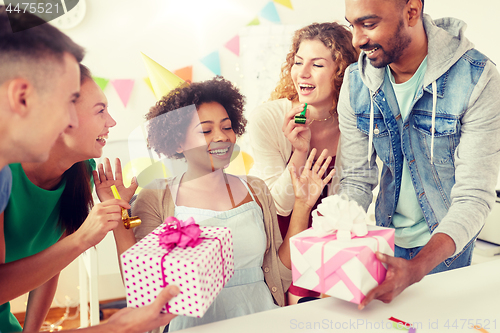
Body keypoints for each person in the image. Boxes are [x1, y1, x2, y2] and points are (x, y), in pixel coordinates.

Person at [103, 76, 334, 332]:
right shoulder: (156, 197)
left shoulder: (256, 189)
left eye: (227, 127)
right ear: (178, 141)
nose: (221, 137)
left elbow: (282, 268)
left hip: (262, 318)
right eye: (206, 130)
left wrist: (302, 205)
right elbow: (143, 284)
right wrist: (119, 218)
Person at [0, 8, 178, 332]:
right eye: (67, 101)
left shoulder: (80, 174)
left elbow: (38, 270)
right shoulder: (6, 172)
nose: (67, 120)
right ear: (21, 96)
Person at [339, 0, 500, 309]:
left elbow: (474, 197)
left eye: (368, 24)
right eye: (352, 25)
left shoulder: (476, 78)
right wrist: (337, 246)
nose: (357, 40)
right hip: (383, 242)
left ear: (411, 11)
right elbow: (356, 180)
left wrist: (416, 269)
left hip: (445, 248)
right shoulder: (355, 83)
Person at [248, 22, 358, 304]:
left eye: (317, 64)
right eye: (298, 62)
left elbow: (353, 200)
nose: (303, 73)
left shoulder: (354, 124)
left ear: (341, 72)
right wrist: (299, 151)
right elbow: (277, 207)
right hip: (279, 245)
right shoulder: (268, 119)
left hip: (332, 244)